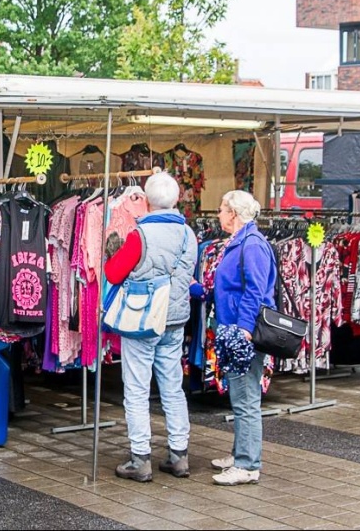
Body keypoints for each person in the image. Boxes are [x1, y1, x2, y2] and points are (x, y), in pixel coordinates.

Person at [104, 172, 198, 482]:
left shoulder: (139, 235)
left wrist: (111, 252)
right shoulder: (188, 235)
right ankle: (179, 455)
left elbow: (114, 274)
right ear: (177, 199)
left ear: (145, 201)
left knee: (136, 389)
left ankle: (140, 458)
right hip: (175, 319)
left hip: (143, 319)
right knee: (172, 387)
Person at [210, 190, 276, 486]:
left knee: (246, 397)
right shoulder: (242, 241)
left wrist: (245, 329)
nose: (218, 215)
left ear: (233, 213)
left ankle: (248, 464)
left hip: (242, 331)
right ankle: (240, 454)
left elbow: (255, 290)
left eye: (221, 209)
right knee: (240, 395)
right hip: (235, 328)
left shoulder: (252, 244)